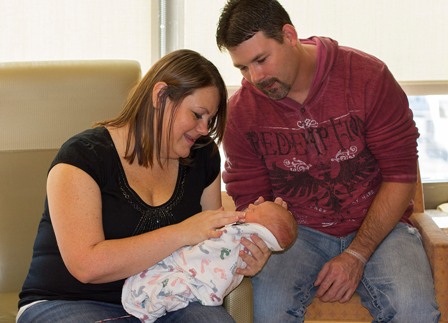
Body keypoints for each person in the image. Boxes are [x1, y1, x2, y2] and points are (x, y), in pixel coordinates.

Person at [216, 1, 440, 322]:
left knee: (414, 309)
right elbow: (253, 198)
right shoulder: (242, 112)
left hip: (381, 225)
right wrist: (261, 236)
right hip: (297, 234)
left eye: (261, 60)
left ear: (289, 36)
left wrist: (357, 254)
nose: (255, 77)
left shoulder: (367, 77)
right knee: (267, 309)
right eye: (242, 68)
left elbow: (400, 176)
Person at [16, 49, 269, 323]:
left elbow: (209, 247)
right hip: (69, 301)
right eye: (197, 115)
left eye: (210, 120)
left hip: (165, 299)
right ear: (160, 96)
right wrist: (182, 232)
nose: (204, 129)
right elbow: (86, 266)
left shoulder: (203, 156)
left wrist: (239, 258)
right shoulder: (82, 157)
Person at [122, 199, 297, 322]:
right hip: (104, 295)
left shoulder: (243, 234)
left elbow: (220, 240)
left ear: (262, 230)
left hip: (196, 286)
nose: (251, 205)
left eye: (257, 210)